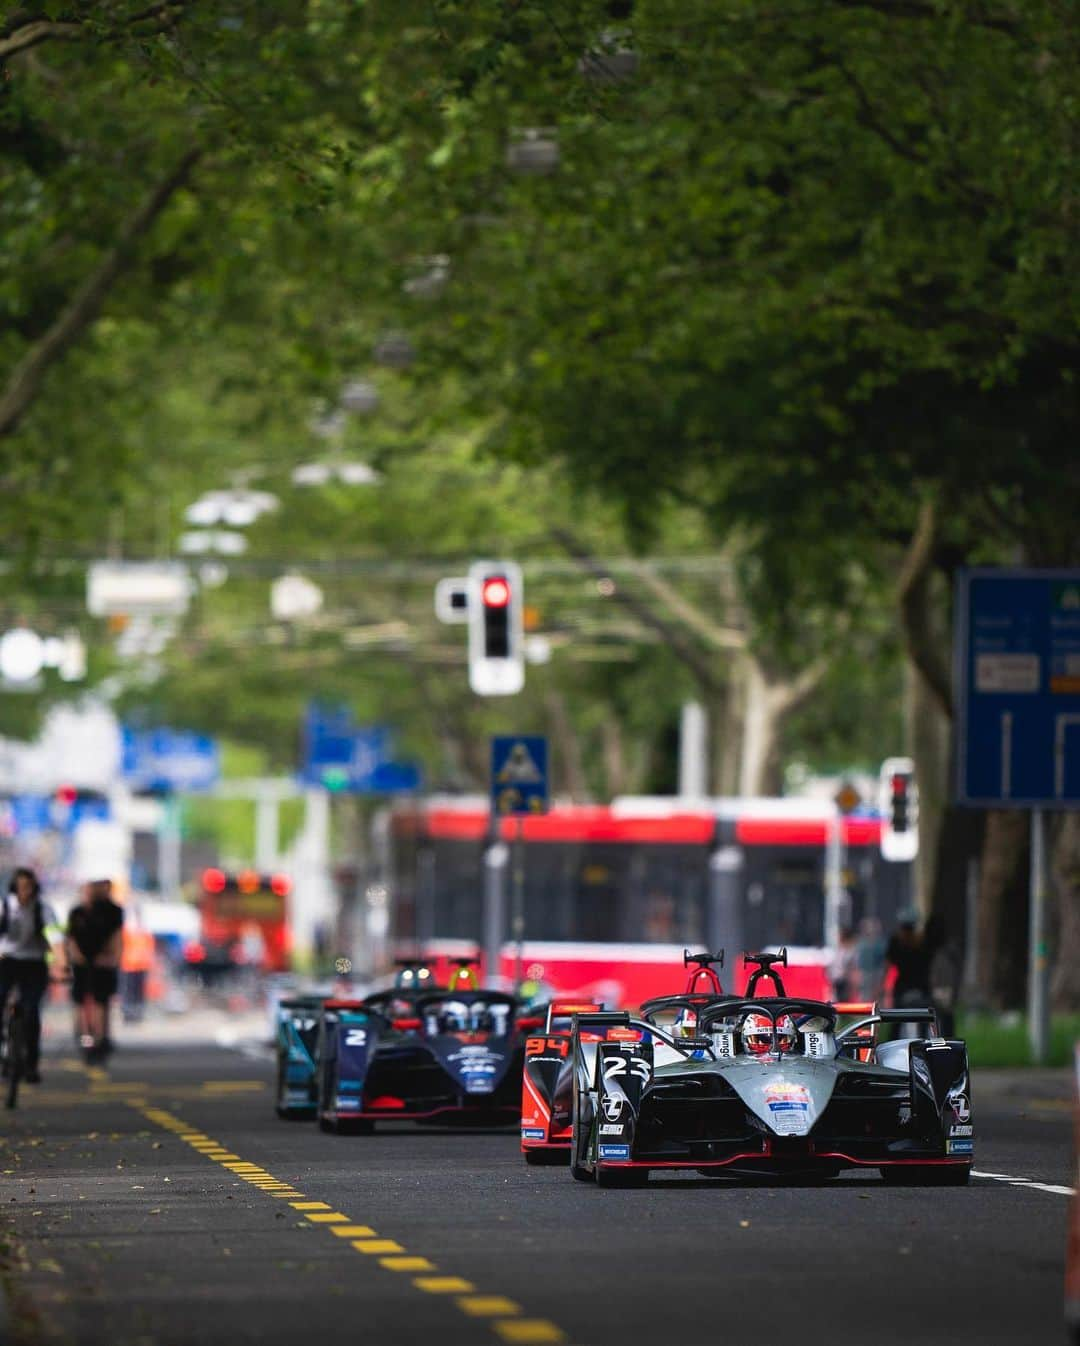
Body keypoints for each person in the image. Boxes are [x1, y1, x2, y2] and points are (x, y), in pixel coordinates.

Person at [0, 867, 62, 1083]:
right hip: (6, 960)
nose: (24, 892)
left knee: (31, 1010)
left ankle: (31, 1064)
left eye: (28, 887)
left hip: (34, 963)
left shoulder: (43, 910)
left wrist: (61, 964)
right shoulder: (4, 907)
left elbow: (56, 941)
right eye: (20, 887)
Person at [66, 879, 124, 1060]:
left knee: (101, 1000)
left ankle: (100, 1038)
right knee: (81, 999)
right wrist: (75, 956)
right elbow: (71, 938)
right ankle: (85, 1036)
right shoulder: (77, 912)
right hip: (81, 963)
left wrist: (111, 958)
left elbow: (116, 936)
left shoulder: (113, 911)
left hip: (103, 963)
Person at [829, 926, 859, 1002]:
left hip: (844, 981)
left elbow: (852, 967)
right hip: (837, 980)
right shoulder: (839, 950)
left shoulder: (850, 951)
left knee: (843, 1002)